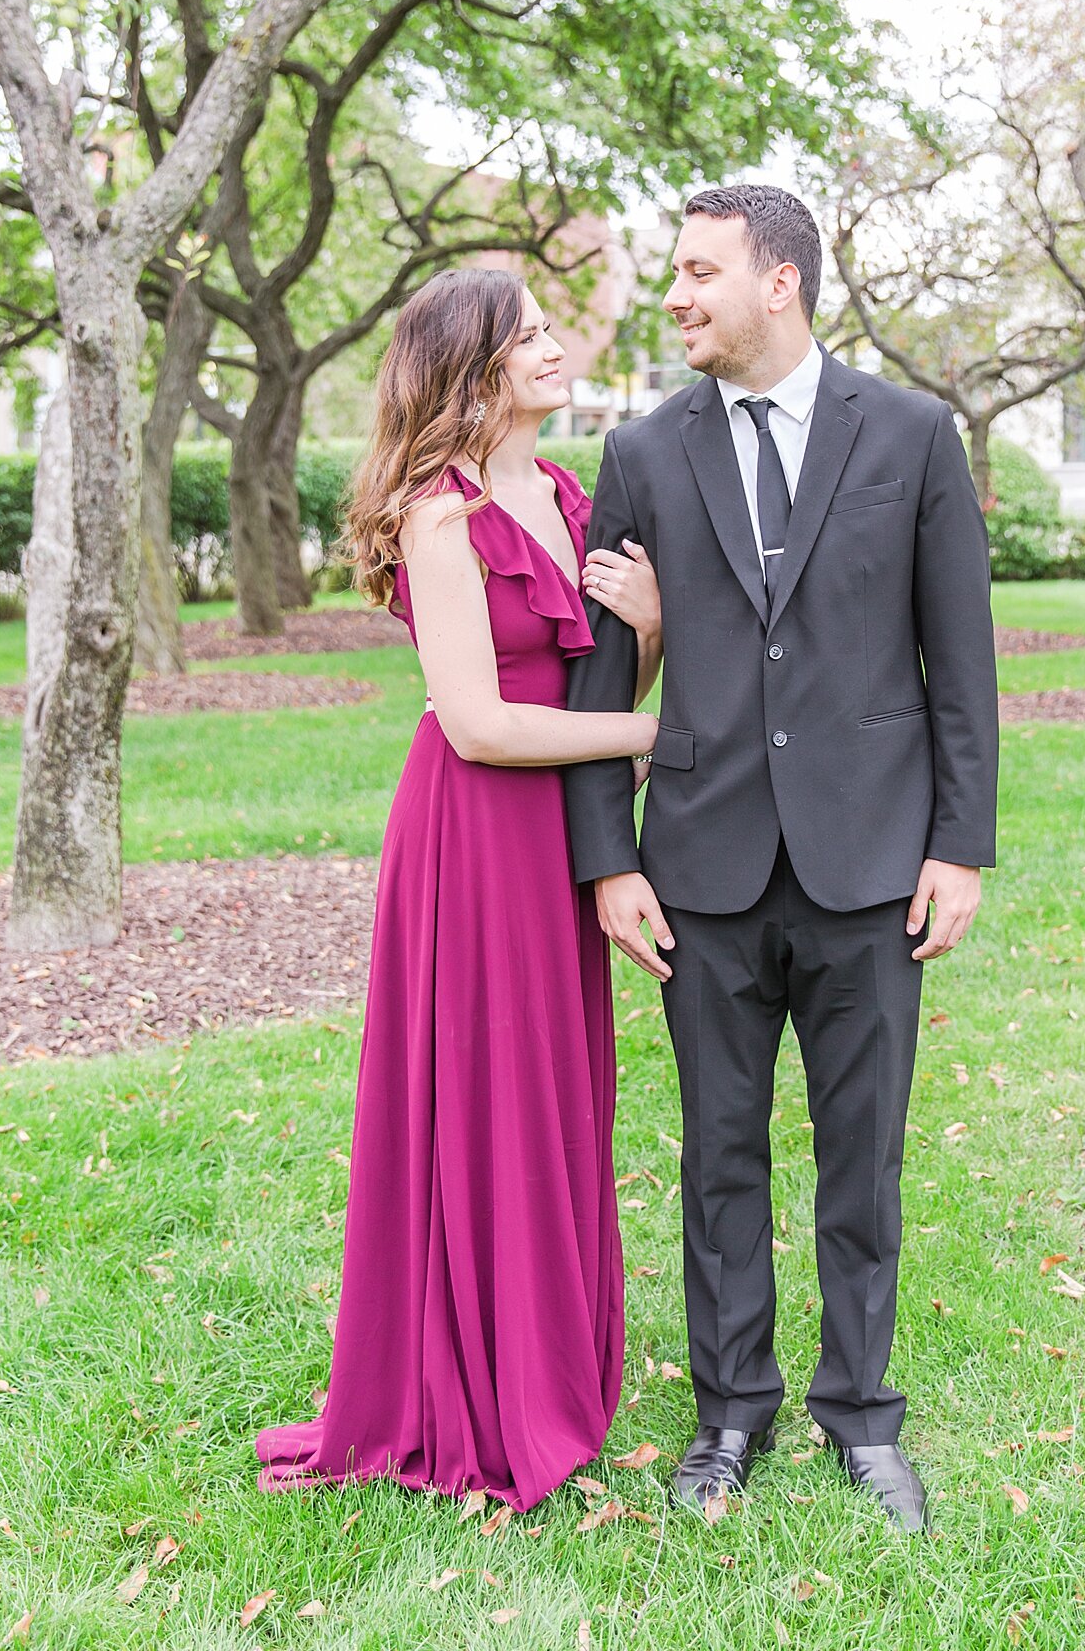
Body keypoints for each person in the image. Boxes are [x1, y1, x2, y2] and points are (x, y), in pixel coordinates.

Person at [566, 186, 999, 1534]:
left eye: (700, 273)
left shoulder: (914, 435)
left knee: (861, 1156)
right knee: (720, 1152)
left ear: (781, 283)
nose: (677, 297)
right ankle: (730, 1414)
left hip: (873, 865)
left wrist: (960, 849)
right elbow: (598, 672)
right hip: (700, 866)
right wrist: (607, 859)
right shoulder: (642, 451)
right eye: (674, 275)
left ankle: (862, 1418)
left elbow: (958, 663)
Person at [255, 267, 662, 1512]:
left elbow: (600, 693)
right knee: (483, 1090)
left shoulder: (566, 494)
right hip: (475, 833)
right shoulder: (441, 517)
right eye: (528, 333)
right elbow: (480, 722)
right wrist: (665, 737)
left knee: (552, 1088)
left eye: (547, 327)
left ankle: (550, 1368)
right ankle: (472, 1391)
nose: (554, 344)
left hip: (561, 828)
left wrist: (653, 631)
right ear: (473, 369)